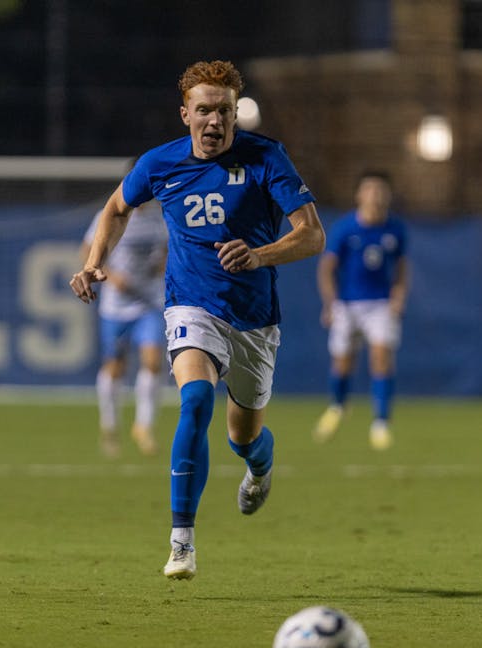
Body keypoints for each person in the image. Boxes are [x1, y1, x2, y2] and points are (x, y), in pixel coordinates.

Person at [70, 59, 324, 580]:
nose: (214, 121)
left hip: (255, 319)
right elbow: (116, 208)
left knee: (243, 437)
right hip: (191, 305)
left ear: (236, 115)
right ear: (185, 113)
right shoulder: (160, 163)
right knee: (195, 398)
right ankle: (181, 541)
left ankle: (260, 466)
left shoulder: (266, 157)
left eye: (224, 111)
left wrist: (259, 254)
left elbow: (312, 235)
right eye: (204, 110)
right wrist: (96, 260)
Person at [313, 170, 410, 451]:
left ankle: (381, 422)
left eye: (381, 190)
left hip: (380, 304)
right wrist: (330, 304)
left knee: (381, 356)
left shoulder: (395, 229)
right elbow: (327, 269)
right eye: (370, 190)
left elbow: (402, 267)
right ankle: (338, 407)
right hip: (347, 304)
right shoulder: (346, 228)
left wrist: (399, 294)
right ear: (359, 195)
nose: (376, 196)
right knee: (343, 363)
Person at [79, 199, 168, 457]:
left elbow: (169, 248)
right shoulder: (107, 215)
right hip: (116, 306)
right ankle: (110, 425)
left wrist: (162, 263)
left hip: (149, 302)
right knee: (115, 367)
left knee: (152, 361)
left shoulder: (160, 218)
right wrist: (109, 275)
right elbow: (86, 252)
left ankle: (144, 425)